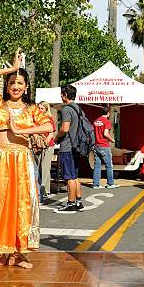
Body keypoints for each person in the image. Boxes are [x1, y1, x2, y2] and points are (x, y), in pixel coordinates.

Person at [0, 49, 53, 269]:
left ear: (26, 87)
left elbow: (49, 126)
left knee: (21, 206)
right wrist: (12, 69)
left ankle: (17, 253)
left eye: (20, 82)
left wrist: (25, 129)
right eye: (12, 82)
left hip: (22, 161)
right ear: (7, 86)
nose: (16, 86)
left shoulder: (32, 108)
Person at [53, 85, 85, 213]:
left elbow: (65, 128)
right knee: (75, 175)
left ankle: (70, 203)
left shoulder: (66, 109)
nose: (61, 96)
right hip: (77, 146)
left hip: (68, 146)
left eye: (62, 94)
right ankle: (78, 201)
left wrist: (56, 137)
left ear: (66, 94)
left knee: (69, 177)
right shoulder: (79, 109)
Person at [92, 105, 118, 189]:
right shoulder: (106, 122)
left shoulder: (96, 121)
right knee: (109, 165)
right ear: (108, 113)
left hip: (96, 145)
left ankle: (96, 184)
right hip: (104, 145)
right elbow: (105, 134)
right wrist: (112, 140)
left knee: (97, 165)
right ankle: (110, 183)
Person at [36, 101, 55, 201]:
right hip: (39, 146)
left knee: (45, 168)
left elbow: (51, 133)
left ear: (46, 110)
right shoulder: (36, 119)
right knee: (39, 168)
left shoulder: (49, 119)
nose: (39, 110)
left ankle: (45, 191)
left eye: (42, 108)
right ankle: (40, 189)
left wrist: (46, 140)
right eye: (38, 108)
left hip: (48, 146)